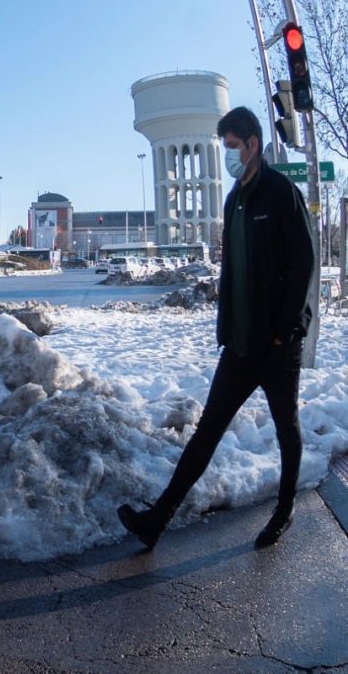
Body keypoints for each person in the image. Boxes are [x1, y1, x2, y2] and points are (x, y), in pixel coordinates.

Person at [118, 106, 314, 551]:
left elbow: (304, 262)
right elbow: (233, 271)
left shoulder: (281, 193)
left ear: (252, 145)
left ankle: (283, 511)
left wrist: (288, 328)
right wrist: (226, 328)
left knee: (287, 427)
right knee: (207, 431)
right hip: (241, 345)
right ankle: (157, 519)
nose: (228, 155)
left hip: (278, 345)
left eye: (232, 147)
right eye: (223, 146)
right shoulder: (234, 200)